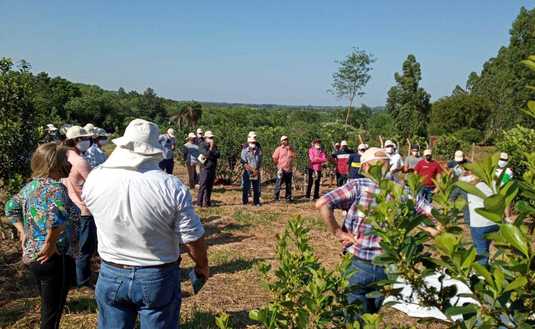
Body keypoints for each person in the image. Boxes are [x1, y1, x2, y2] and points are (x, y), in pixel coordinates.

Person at [82, 119, 208, 329]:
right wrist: (202, 266)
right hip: (156, 274)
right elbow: (192, 236)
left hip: (111, 271)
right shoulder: (170, 185)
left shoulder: (96, 178)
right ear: (153, 150)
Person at [315, 147, 434, 314]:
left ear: (364, 167)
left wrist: (338, 233)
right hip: (388, 266)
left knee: (355, 317)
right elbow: (433, 214)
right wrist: (432, 229)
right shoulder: (404, 190)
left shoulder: (357, 185)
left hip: (359, 262)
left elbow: (322, 203)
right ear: (388, 165)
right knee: (372, 316)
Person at [5, 143, 78, 329]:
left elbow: (10, 208)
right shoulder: (57, 189)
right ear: (54, 165)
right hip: (54, 255)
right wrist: (50, 242)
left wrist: (22, 231)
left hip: (33, 256)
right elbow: (57, 219)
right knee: (52, 314)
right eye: (65, 161)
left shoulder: (30, 187)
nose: (69, 165)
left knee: (47, 305)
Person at [63, 126, 95, 288]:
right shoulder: (80, 161)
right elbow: (94, 184)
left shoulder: (64, 157)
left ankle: (71, 279)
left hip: (69, 207)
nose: (88, 141)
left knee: (72, 246)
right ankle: (82, 280)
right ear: (76, 140)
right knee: (85, 247)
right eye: (85, 139)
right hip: (84, 209)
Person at [466, 178, 499, 265]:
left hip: (479, 224)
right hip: (495, 221)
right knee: (500, 248)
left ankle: (484, 274)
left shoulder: (471, 185)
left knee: (482, 252)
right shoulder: (495, 182)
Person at [197, 131, 220, 207]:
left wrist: (211, 150)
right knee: (203, 185)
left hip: (212, 168)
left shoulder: (214, 146)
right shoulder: (202, 145)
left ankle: (207, 202)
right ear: (205, 138)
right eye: (210, 138)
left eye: (212, 137)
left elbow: (218, 154)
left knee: (210, 186)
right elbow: (205, 155)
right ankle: (199, 203)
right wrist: (210, 149)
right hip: (205, 168)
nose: (211, 139)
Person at [448, 150, 471, 224]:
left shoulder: (468, 163)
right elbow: (446, 167)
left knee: (466, 202)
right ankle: (452, 218)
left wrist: (467, 173)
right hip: (456, 185)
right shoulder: (452, 162)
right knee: (451, 200)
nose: (459, 162)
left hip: (465, 185)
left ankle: (467, 220)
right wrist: (449, 173)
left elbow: (473, 172)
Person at [272, 135, 295, 202]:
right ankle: (276, 198)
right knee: (278, 184)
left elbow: (293, 157)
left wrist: (290, 150)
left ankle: (288, 198)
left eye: (286, 140)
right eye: (283, 140)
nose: (285, 141)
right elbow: (274, 158)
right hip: (281, 170)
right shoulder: (278, 149)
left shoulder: (291, 149)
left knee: (288, 184)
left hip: (289, 169)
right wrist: (278, 166)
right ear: (281, 141)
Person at [241, 136, 262, 206]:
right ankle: (245, 202)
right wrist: (252, 170)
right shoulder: (244, 151)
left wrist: (257, 170)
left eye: (254, 142)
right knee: (246, 187)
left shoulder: (258, 150)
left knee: (256, 188)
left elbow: (259, 161)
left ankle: (256, 202)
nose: (253, 143)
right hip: (247, 172)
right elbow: (244, 162)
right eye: (251, 142)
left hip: (256, 172)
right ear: (249, 142)